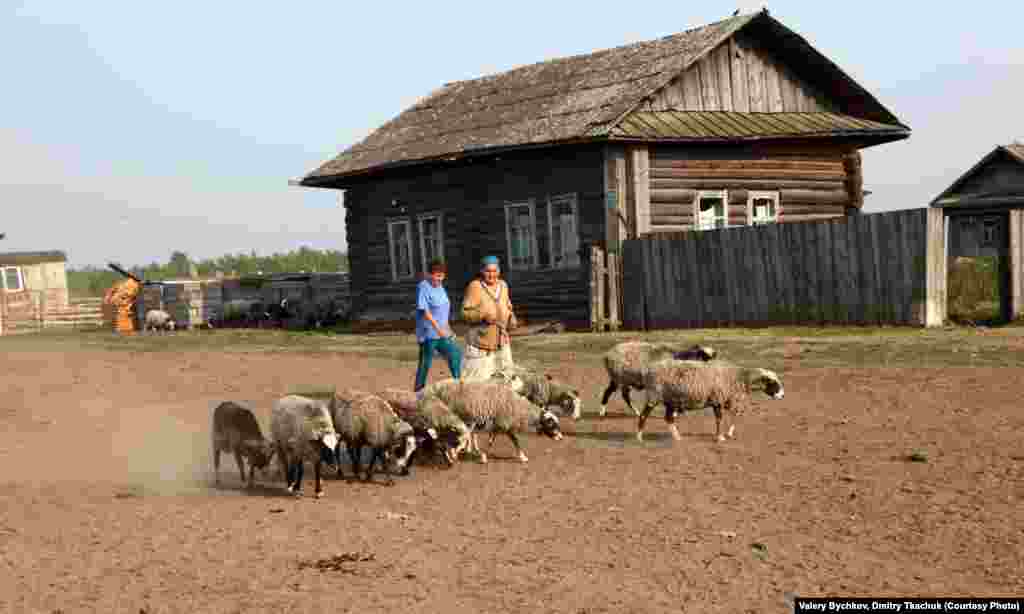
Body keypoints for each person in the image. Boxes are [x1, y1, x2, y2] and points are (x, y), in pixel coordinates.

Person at [460, 255, 517, 381]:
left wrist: (511, 317)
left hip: (501, 341)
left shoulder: (503, 285)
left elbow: (507, 305)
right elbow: (464, 313)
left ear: (499, 271)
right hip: (480, 343)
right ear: (482, 271)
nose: (491, 275)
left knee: (506, 380)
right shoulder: (475, 286)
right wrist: (482, 315)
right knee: (478, 383)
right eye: (488, 271)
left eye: (494, 271)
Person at [414, 258, 462, 396]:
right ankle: (418, 394)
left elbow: (443, 311)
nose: (439, 279)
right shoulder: (423, 287)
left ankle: (458, 386)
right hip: (429, 333)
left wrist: (448, 329)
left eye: (442, 276)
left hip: (442, 332)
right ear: (429, 274)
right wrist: (438, 329)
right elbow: (425, 312)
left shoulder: (440, 287)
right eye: (437, 276)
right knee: (425, 363)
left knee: (455, 354)